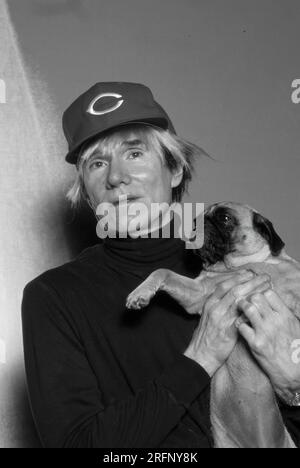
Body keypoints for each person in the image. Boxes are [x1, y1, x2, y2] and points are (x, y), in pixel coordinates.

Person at [21, 82, 300, 448]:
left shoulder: (247, 267)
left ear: (175, 171)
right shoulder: (55, 297)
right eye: (98, 163)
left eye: (134, 154)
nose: (116, 177)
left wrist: (294, 388)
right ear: (86, 192)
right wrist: (199, 358)